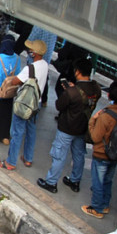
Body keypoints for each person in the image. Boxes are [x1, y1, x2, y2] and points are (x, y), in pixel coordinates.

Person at [37, 59, 101, 194]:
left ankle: (51, 182)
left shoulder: (72, 93)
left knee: (59, 155)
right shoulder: (96, 89)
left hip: (67, 128)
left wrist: (69, 90)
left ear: (77, 72)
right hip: (83, 128)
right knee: (79, 155)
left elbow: (59, 105)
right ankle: (75, 181)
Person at [0, 40, 47, 171]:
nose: (28, 51)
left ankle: (10, 162)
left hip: (24, 104)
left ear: (34, 54)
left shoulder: (29, 69)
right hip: (36, 104)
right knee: (31, 131)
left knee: (17, 132)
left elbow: (16, 81)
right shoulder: (45, 65)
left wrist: (11, 78)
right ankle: (28, 158)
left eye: (30, 50)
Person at [82, 80, 117, 220]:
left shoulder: (105, 115)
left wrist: (92, 120)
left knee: (98, 182)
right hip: (116, 154)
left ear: (109, 95)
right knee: (108, 180)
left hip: (102, 154)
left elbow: (96, 137)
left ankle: (96, 208)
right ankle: (105, 205)